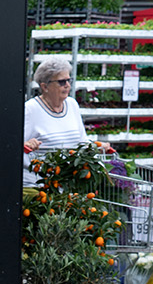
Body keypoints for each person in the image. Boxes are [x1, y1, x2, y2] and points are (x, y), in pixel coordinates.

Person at [23, 57, 112, 187]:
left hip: (66, 184)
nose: (67, 85)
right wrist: (28, 144)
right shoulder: (30, 109)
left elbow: (82, 141)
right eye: (61, 82)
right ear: (45, 86)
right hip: (38, 185)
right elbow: (15, 145)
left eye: (69, 80)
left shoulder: (72, 104)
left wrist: (97, 147)